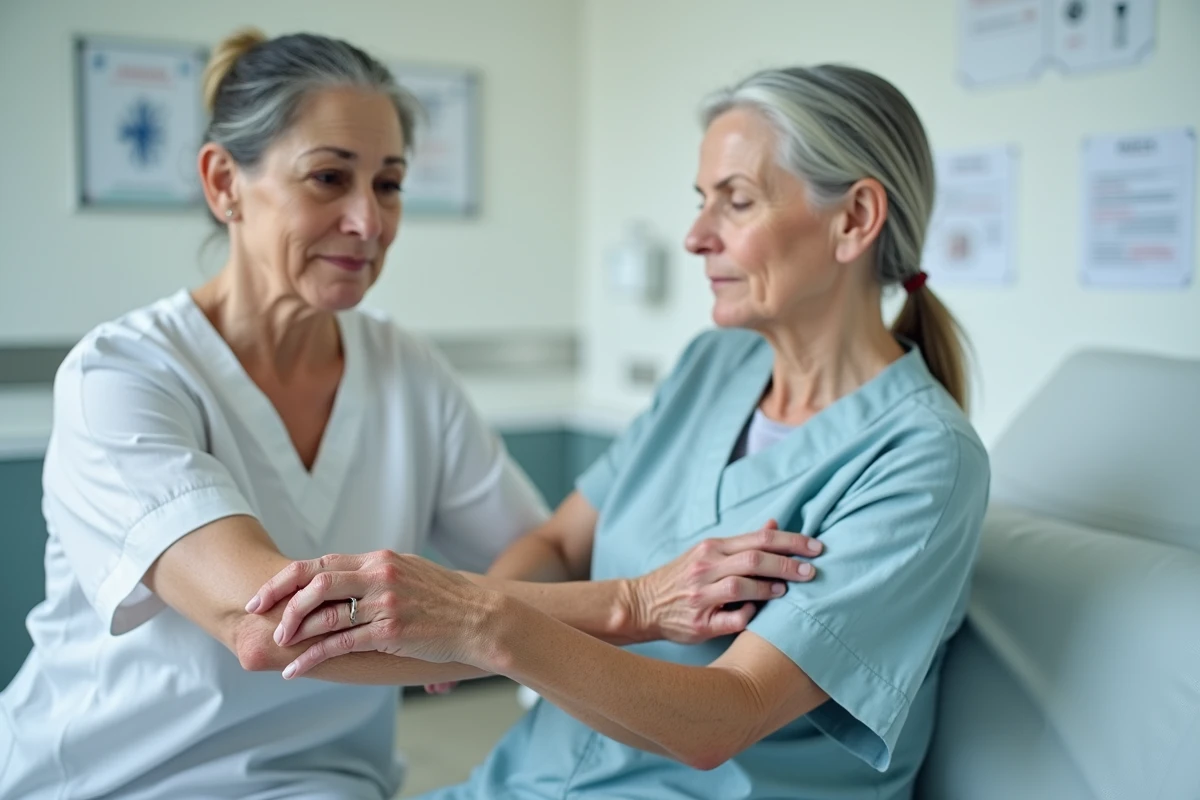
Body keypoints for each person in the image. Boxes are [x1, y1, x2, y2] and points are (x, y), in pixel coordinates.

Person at [0, 32, 825, 800]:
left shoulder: (404, 371)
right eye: (329, 178)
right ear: (224, 184)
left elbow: (530, 564)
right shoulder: (121, 377)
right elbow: (261, 629)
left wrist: (474, 623)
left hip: (325, 781)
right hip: (108, 781)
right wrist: (626, 605)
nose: (369, 221)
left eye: (388, 184)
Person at [248, 64, 992, 799]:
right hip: (522, 782)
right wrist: (460, 621)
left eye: (736, 202)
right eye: (702, 201)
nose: (697, 236)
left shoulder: (923, 459)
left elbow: (722, 720)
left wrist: (482, 621)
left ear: (856, 219)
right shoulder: (716, 365)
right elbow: (561, 543)